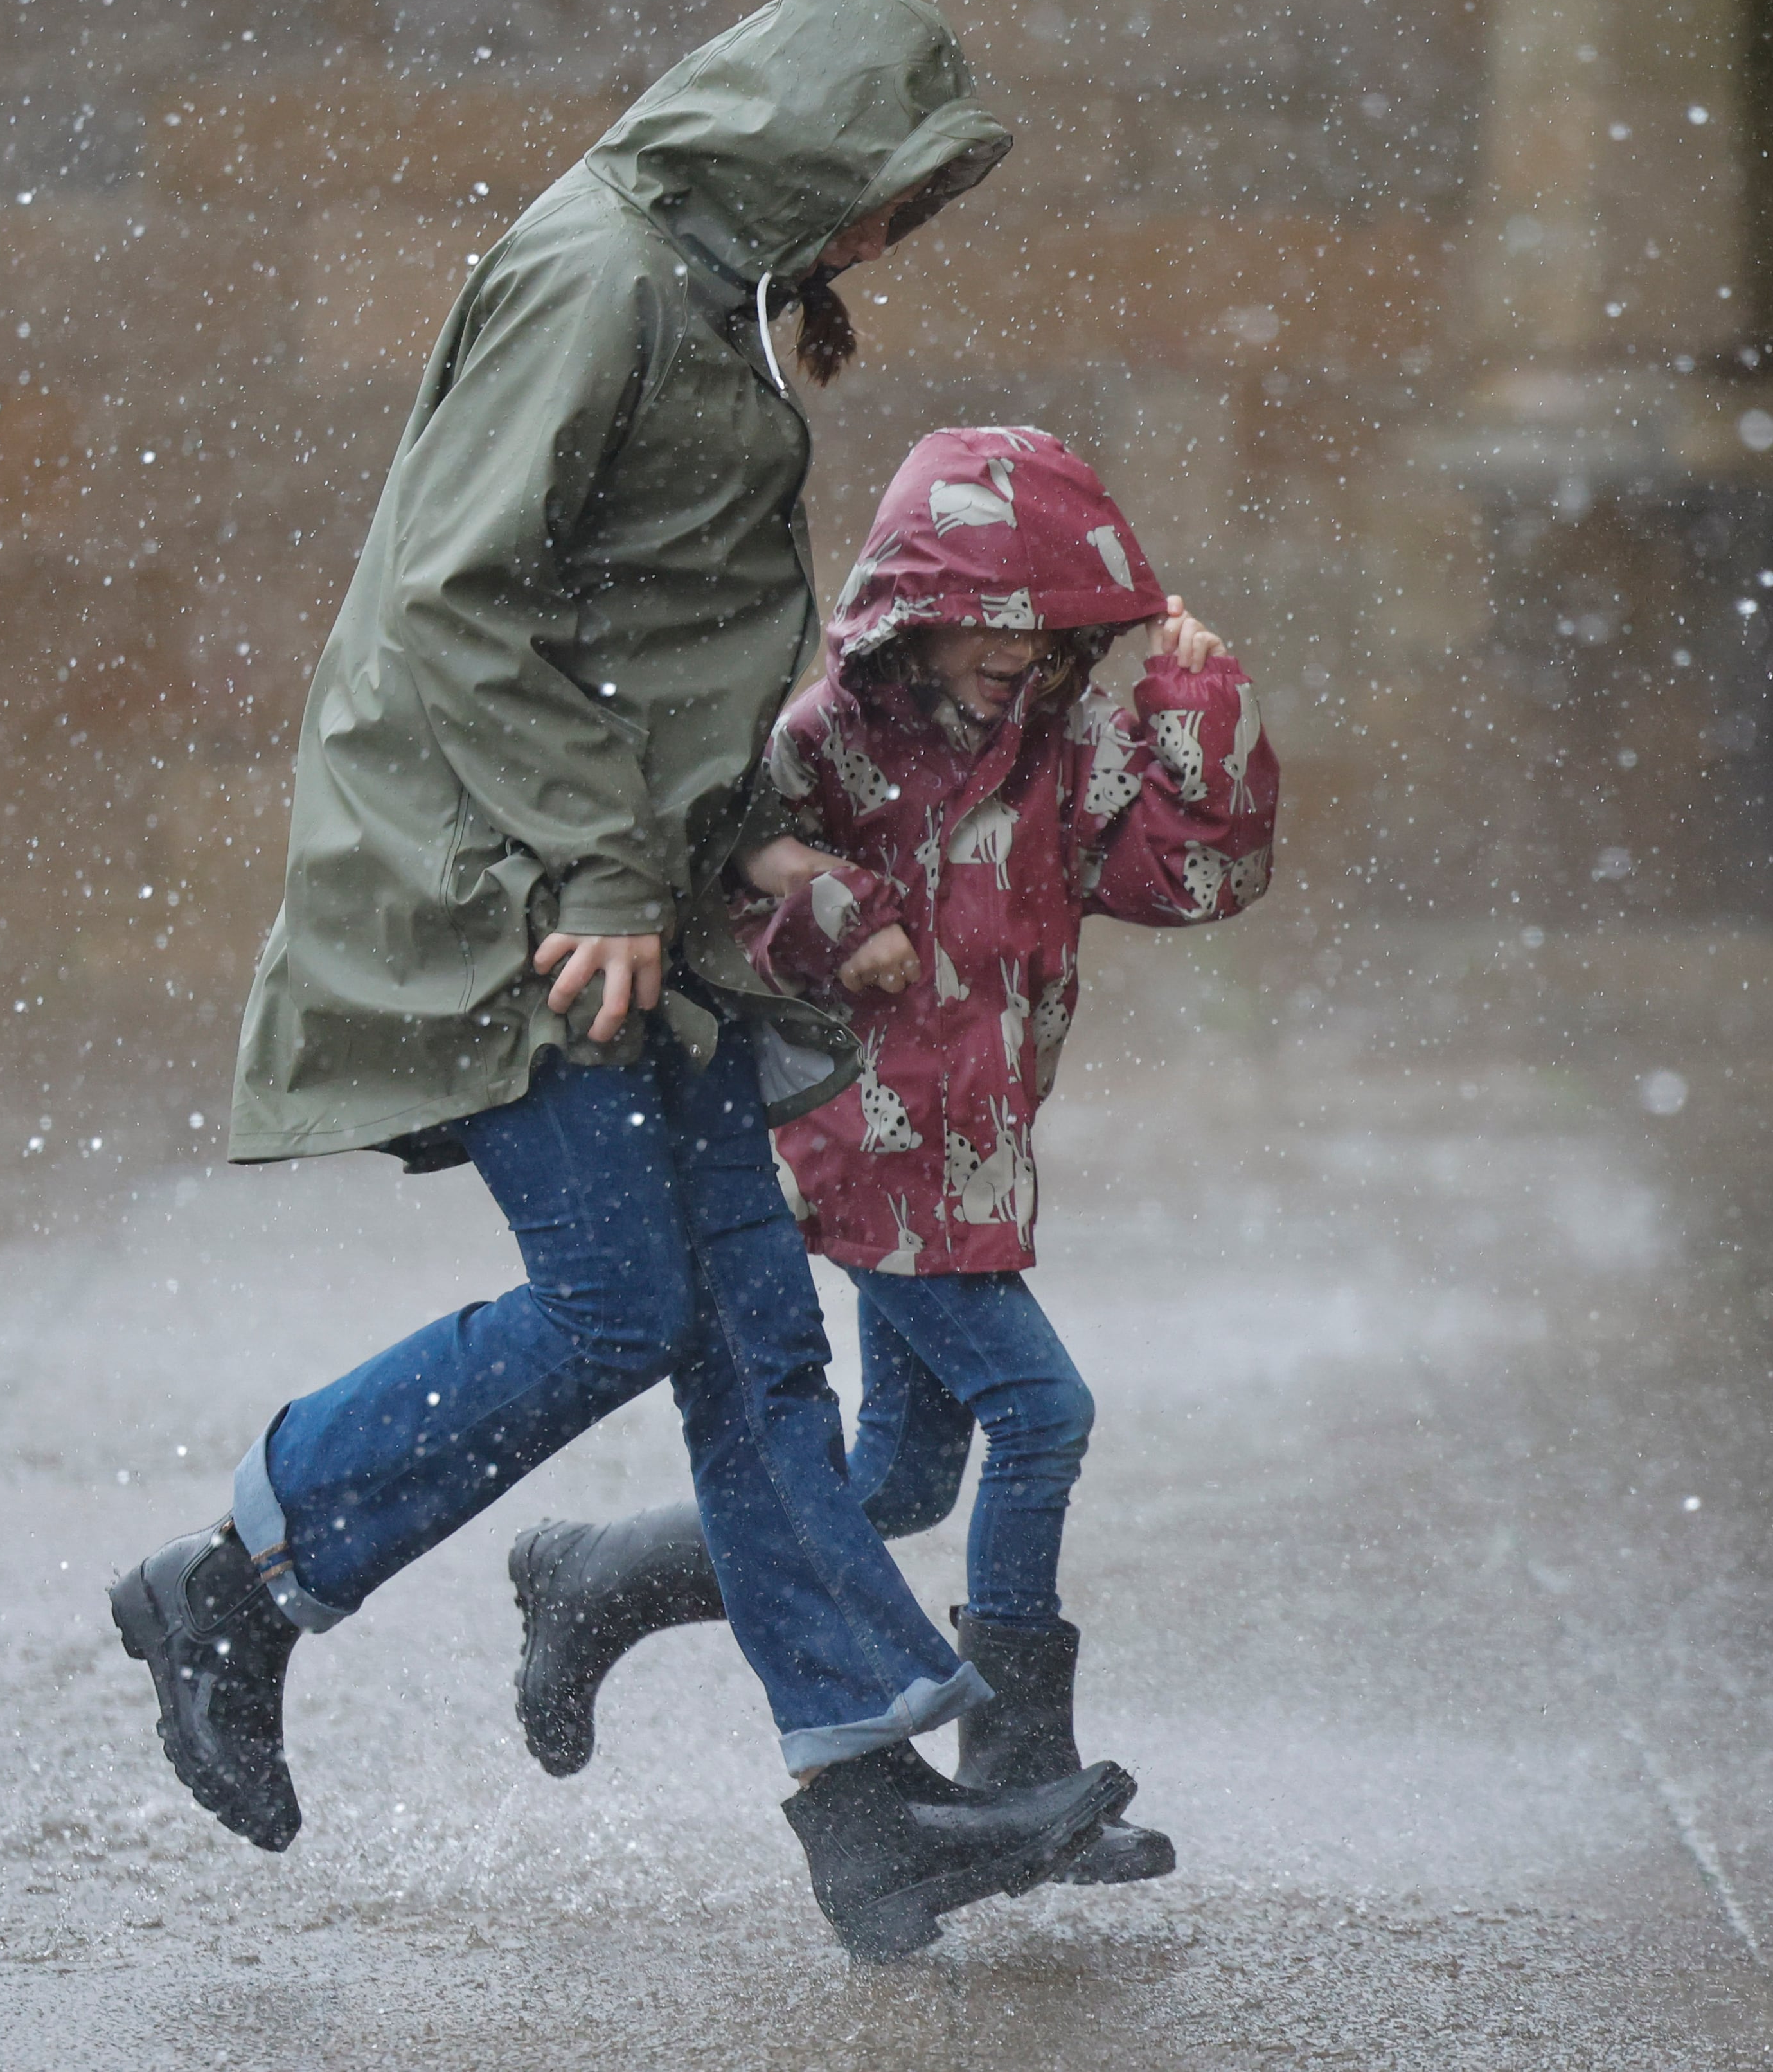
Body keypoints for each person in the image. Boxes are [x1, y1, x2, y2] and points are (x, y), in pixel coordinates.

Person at [106, 0, 1134, 1962]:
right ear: (798, 151)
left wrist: (743, 833)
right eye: (876, 202)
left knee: (754, 1334)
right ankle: (236, 1575)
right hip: (503, 891)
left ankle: (869, 1803)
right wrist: (599, 859)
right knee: (622, 1300)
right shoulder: (599, 273)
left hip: (628, 896)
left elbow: (650, 626)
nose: (876, 248)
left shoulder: (704, 289)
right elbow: (462, 596)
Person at [504, 426, 1280, 1886]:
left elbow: (1194, 876)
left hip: (970, 1160)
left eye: (1043, 623)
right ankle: (1020, 1764)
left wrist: (1197, 703)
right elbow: (723, 899)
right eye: (984, 614)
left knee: (899, 1481)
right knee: (1041, 1412)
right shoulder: (827, 741)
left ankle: (597, 1574)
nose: (1015, 650)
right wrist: (831, 914)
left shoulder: (1063, 751)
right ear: (914, 606)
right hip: (856, 1142)